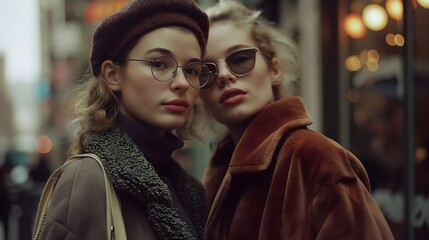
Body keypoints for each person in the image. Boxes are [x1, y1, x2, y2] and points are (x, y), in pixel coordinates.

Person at [199, 1, 394, 239]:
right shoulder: (216, 178)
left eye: (239, 59)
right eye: (205, 71)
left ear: (275, 70)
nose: (224, 76)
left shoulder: (316, 157)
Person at [34, 0, 210, 239]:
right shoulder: (87, 179)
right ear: (113, 75)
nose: (181, 82)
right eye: (159, 64)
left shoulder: (189, 190)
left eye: (191, 70)